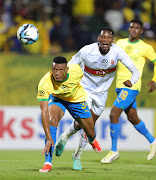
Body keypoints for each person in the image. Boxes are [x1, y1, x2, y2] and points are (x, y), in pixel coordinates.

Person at [55, 27, 140, 170]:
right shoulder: (87, 51)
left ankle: (67, 140)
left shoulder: (117, 52)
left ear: (112, 40)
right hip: (85, 89)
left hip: (102, 94)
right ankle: (77, 156)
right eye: (103, 37)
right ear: (98, 39)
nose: (105, 40)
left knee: (87, 126)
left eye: (108, 38)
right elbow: (70, 65)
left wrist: (131, 81)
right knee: (86, 121)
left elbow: (135, 72)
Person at [101, 19, 156, 164]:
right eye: (131, 27)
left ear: (141, 31)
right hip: (119, 86)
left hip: (131, 86)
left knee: (114, 113)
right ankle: (153, 142)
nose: (133, 30)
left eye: (136, 28)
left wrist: (154, 79)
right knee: (132, 117)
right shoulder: (120, 43)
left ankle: (113, 151)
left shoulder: (146, 47)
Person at [37, 56, 101, 173]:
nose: (57, 73)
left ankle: (91, 140)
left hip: (77, 100)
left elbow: (89, 79)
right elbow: (44, 112)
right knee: (52, 118)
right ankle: (48, 162)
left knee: (91, 133)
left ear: (66, 69)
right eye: (54, 69)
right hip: (57, 99)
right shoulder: (45, 83)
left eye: (60, 70)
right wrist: (49, 137)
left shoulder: (76, 71)